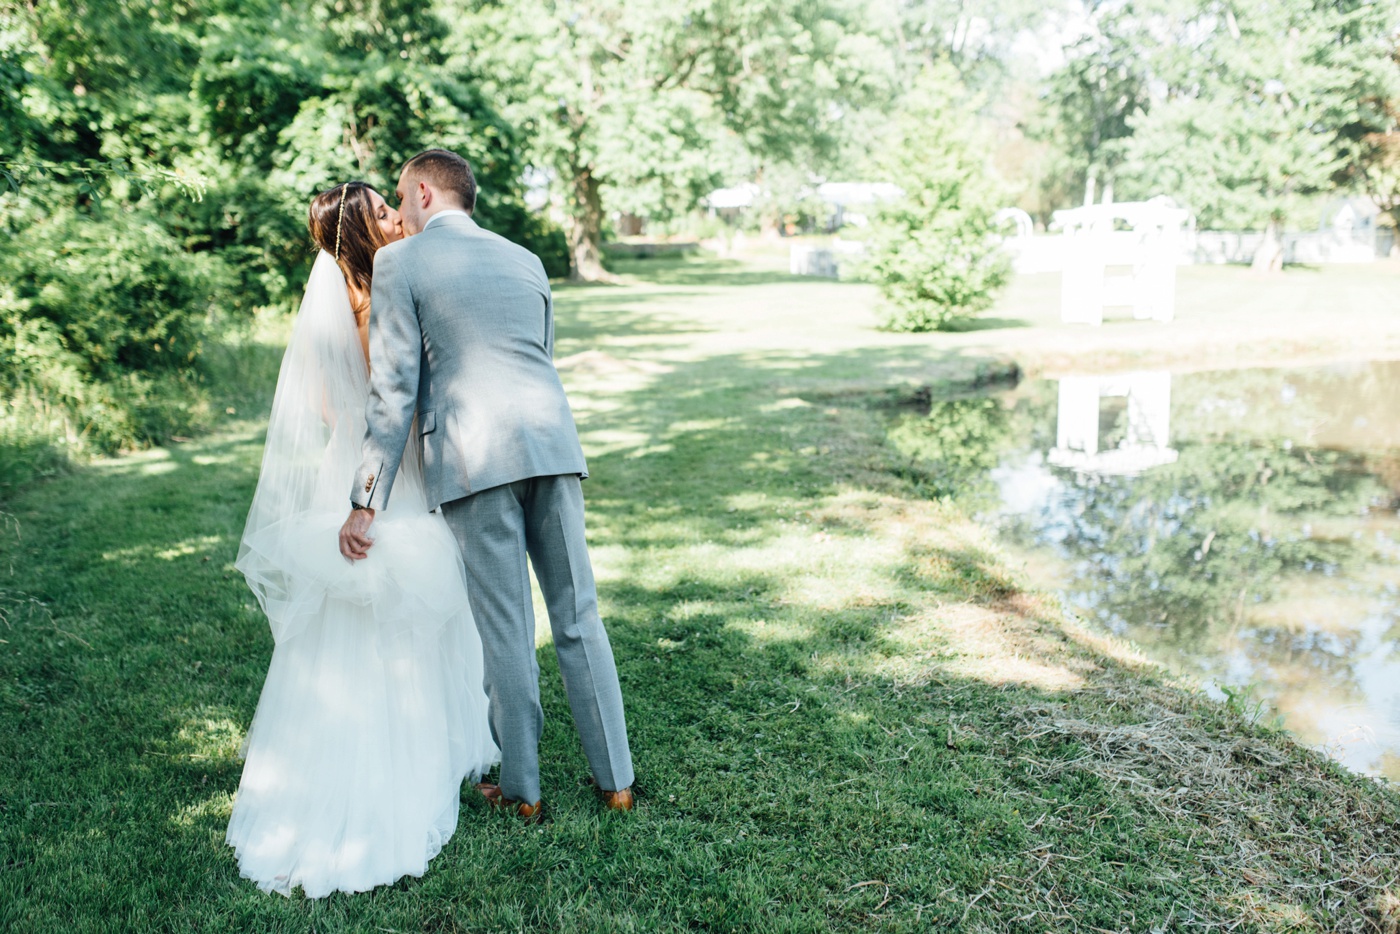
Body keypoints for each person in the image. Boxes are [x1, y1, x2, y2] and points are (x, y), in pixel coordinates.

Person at [337, 149, 634, 821]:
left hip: (473, 457)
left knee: (506, 627)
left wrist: (364, 498)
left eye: (399, 198)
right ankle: (615, 779)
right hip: (551, 444)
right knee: (579, 614)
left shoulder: (399, 263)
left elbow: (393, 392)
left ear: (421, 193)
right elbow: (540, 354)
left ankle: (524, 791)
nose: (399, 212)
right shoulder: (524, 258)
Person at [227, 182, 498, 897]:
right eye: (383, 212)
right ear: (366, 235)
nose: (397, 217)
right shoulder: (393, 300)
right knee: (408, 611)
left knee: (337, 627)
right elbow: (404, 405)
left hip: (341, 472)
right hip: (390, 481)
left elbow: (324, 408)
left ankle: (318, 769)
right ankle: (406, 765)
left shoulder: (329, 313)